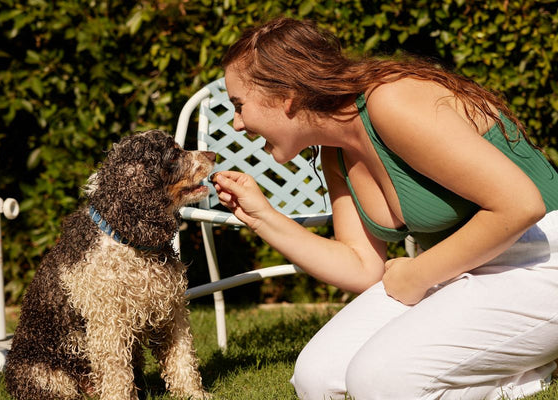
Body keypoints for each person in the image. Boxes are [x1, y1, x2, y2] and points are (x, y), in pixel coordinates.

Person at [212, 16, 558, 400]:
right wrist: (263, 217)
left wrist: (416, 275)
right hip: (459, 267)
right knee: (318, 377)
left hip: (542, 257)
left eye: (239, 105)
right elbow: (361, 266)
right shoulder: (336, 152)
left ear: (285, 96)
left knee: (381, 381)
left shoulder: (391, 101)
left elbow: (521, 206)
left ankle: (521, 373)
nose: (238, 124)